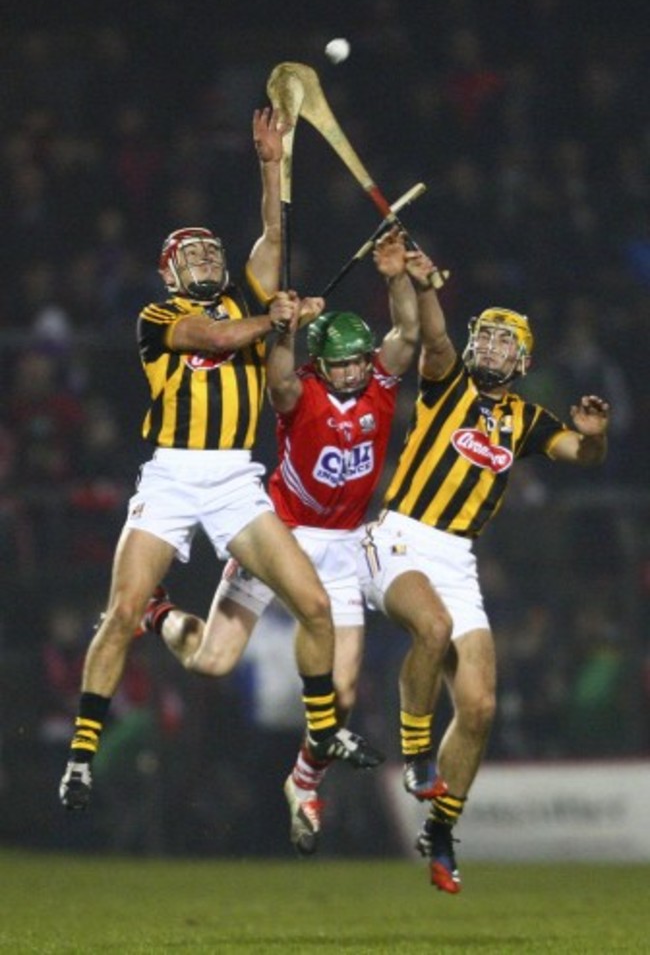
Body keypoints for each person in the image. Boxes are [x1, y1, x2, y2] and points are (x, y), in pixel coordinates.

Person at [59, 107, 382, 812]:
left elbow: (272, 237)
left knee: (316, 606)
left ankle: (323, 732)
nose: (205, 259)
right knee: (118, 611)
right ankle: (82, 757)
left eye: (211, 251)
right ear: (169, 270)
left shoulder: (247, 292)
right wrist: (278, 320)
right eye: (190, 254)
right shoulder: (160, 318)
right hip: (173, 475)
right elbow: (219, 333)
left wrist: (271, 164)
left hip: (236, 478)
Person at [134, 230, 446, 855]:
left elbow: (409, 336)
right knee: (213, 661)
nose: (356, 371)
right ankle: (158, 611)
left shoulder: (382, 386)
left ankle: (303, 781)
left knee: (345, 694)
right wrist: (281, 326)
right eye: (344, 362)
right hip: (278, 534)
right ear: (321, 361)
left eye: (361, 360)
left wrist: (395, 278)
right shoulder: (298, 391)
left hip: (342, 545)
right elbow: (277, 377)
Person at [357, 245, 610, 894]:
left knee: (479, 706)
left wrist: (594, 434)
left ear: (522, 360)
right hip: (402, 537)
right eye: (487, 338)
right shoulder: (448, 382)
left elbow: (580, 453)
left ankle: (441, 828)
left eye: (506, 343)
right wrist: (425, 281)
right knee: (432, 627)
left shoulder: (525, 419)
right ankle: (415, 752)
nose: (493, 350)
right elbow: (434, 334)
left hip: (457, 558)